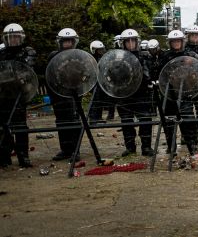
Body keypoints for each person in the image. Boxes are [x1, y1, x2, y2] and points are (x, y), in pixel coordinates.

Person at [155, 29, 198, 155]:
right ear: (170, 43)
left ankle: (192, 146)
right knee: (169, 122)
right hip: (169, 93)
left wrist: (190, 62)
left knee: (188, 120)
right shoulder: (164, 56)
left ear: (182, 41)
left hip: (185, 92)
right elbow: (159, 72)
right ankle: (171, 146)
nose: (176, 44)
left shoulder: (190, 54)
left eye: (178, 41)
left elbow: (197, 69)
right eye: (173, 42)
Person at [44, 28, 84, 161]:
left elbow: (84, 74)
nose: (67, 44)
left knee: (74, 122)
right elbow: (49, 77)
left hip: (74, 94)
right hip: (58, 95)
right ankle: (65, 150)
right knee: (61, 122)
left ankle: (75, 151)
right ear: (60, 42)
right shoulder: (53, 56)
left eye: (70, 41)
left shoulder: (79, 56)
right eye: (65, 41)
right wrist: (52, 95)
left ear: (74, 42)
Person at [0, 23, 36, 167]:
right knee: (3, 126)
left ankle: (23, 156)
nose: (13, 40)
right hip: (3, 94)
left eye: (16, 37)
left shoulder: (28, 52)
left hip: (20, 94)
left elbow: (27, 71)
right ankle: (4, 156)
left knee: (20, 126)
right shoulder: (1, 52)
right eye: (11, 37)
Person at [117, 29, 155, 157]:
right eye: (128, 41)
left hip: (142, 93)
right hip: (125, 94)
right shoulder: (118, 57)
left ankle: (146, 147)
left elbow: (151, 73)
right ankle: (130, 148)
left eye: (133, 40)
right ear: (123, 43)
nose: (131, 43)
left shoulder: (145, 56)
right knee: (126, 121)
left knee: (145, 120)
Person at [87, 40, 116, 123]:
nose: (101, 51)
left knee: (100, 100)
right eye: (98, 50)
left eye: (101, 49)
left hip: (102, 82)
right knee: (95, 100)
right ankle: (93, 118)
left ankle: (98, 117)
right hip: (94, 83)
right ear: (94, 50)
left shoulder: (103, 58)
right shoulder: (90, 59)